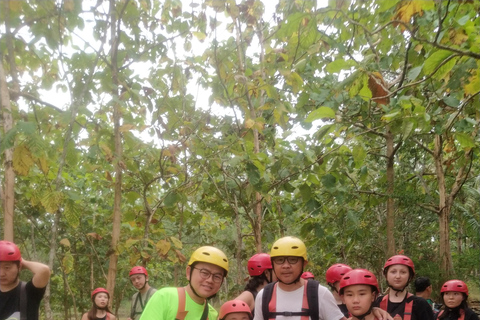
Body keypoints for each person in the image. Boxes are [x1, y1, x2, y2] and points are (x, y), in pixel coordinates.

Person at [253, 236, 393, 320]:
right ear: (272, 265)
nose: (286, 266)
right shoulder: (264, 296)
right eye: (280, 261)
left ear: (304, 264)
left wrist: (370, 313)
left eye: (292, 260)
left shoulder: (318, 293)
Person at [139, 246, 229, 320]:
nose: (210, 280)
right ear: (189, 272)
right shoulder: (165, 298)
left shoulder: (212, 314)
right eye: (204, 273)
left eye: (217, 276)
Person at [0, 240, 51, 320]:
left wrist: (21, 260)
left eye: (7, 267)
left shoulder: (29, 292)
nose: (1, 274)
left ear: (19, 267)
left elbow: (43, 270)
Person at [375, 254, 434, 320]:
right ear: (386, 275)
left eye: (403, 272)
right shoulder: (376, 303)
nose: (397, 276)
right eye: (393, 272)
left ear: (410, 277)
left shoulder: (420, 304)